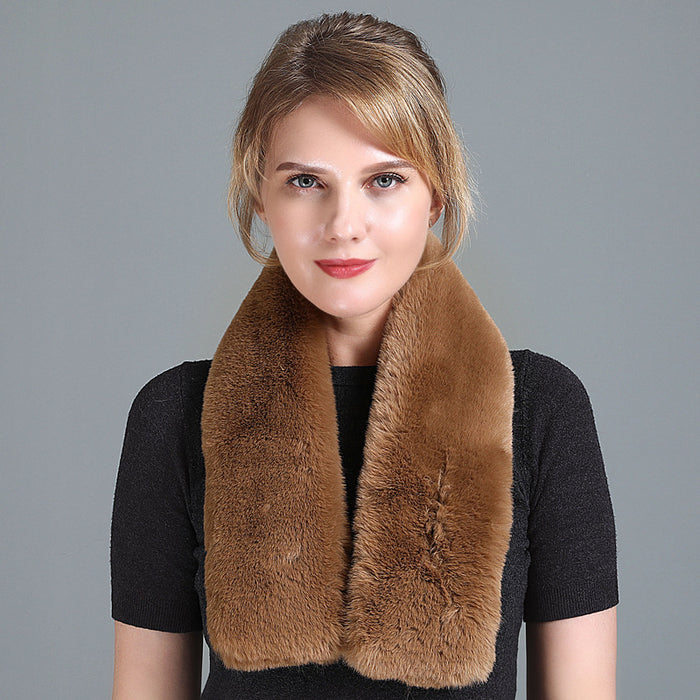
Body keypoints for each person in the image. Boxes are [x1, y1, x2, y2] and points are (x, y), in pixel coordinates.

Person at [110, 12, 618, 699]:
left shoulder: (539, 409)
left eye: (384, 180)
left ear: (435, 194)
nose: (344, 225)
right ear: (260, 196)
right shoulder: (174, 417)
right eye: (304, 181)